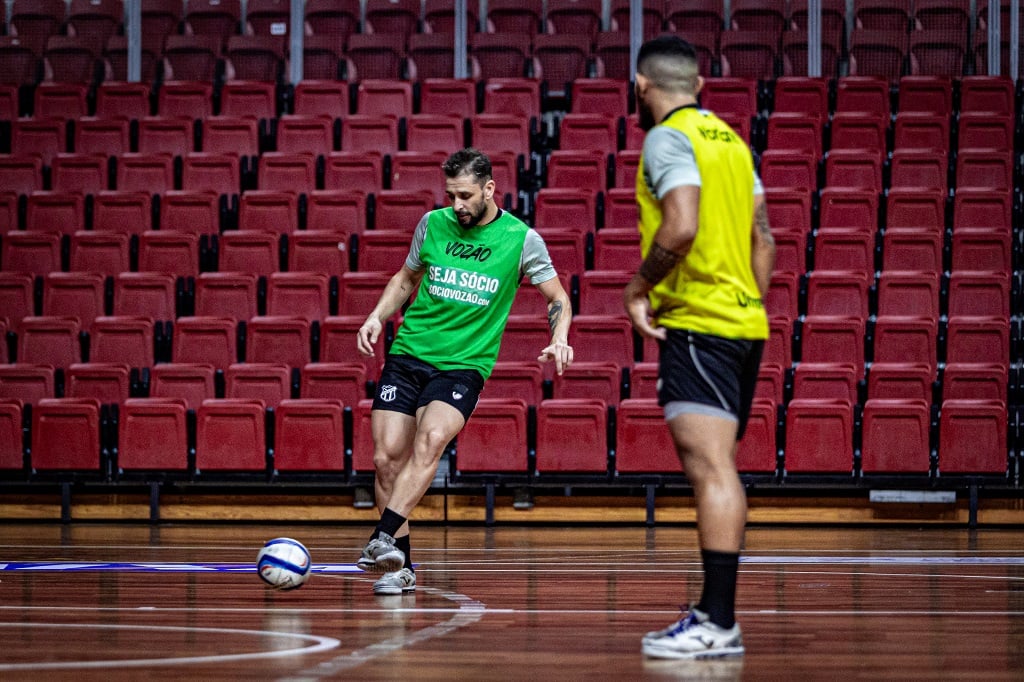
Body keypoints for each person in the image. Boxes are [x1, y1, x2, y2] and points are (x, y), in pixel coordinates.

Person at [355, 148, 574, 595]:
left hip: (463, 365)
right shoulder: (432, 225)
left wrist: (560, 337)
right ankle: (401, 567)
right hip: (410, 353)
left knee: (432, 439)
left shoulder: (521, 239)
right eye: (451, 195)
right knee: (385, 460)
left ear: (490, 189)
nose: (457, 204)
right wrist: (377, 316)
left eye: (465, 195)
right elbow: (404, 278)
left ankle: (381, 536)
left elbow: (558, 298)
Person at [623, 36, 776, 659]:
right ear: (700, 83)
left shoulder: (667, 137)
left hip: (701, 326)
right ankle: (714, 616)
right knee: (719, 466)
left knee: (711, 469)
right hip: (742, 326)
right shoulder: (734, 144)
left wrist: (638, 288)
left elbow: (680, 224)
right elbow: (763, 238)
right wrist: (747, 302)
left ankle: (718, 620)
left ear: (641, 86)